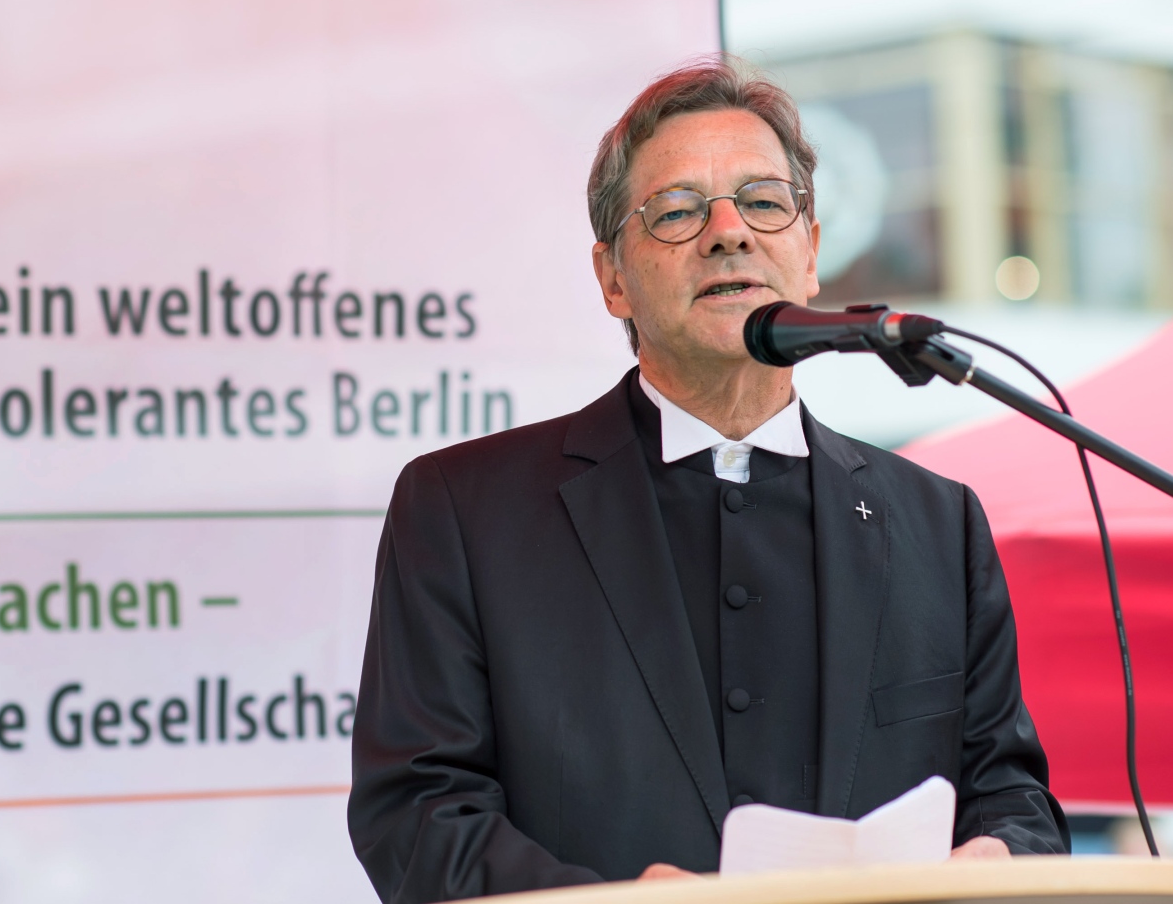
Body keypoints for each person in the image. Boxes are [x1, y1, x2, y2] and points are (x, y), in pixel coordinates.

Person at [347, 58, 1068, 903]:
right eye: (678, 211)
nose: (729, 232)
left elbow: (1012, 796)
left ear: (811, 252)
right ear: (613, 279)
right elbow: (417, 816)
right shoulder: (465, 512)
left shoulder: (937, 524)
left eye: (763, 202)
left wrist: (1001, 855)